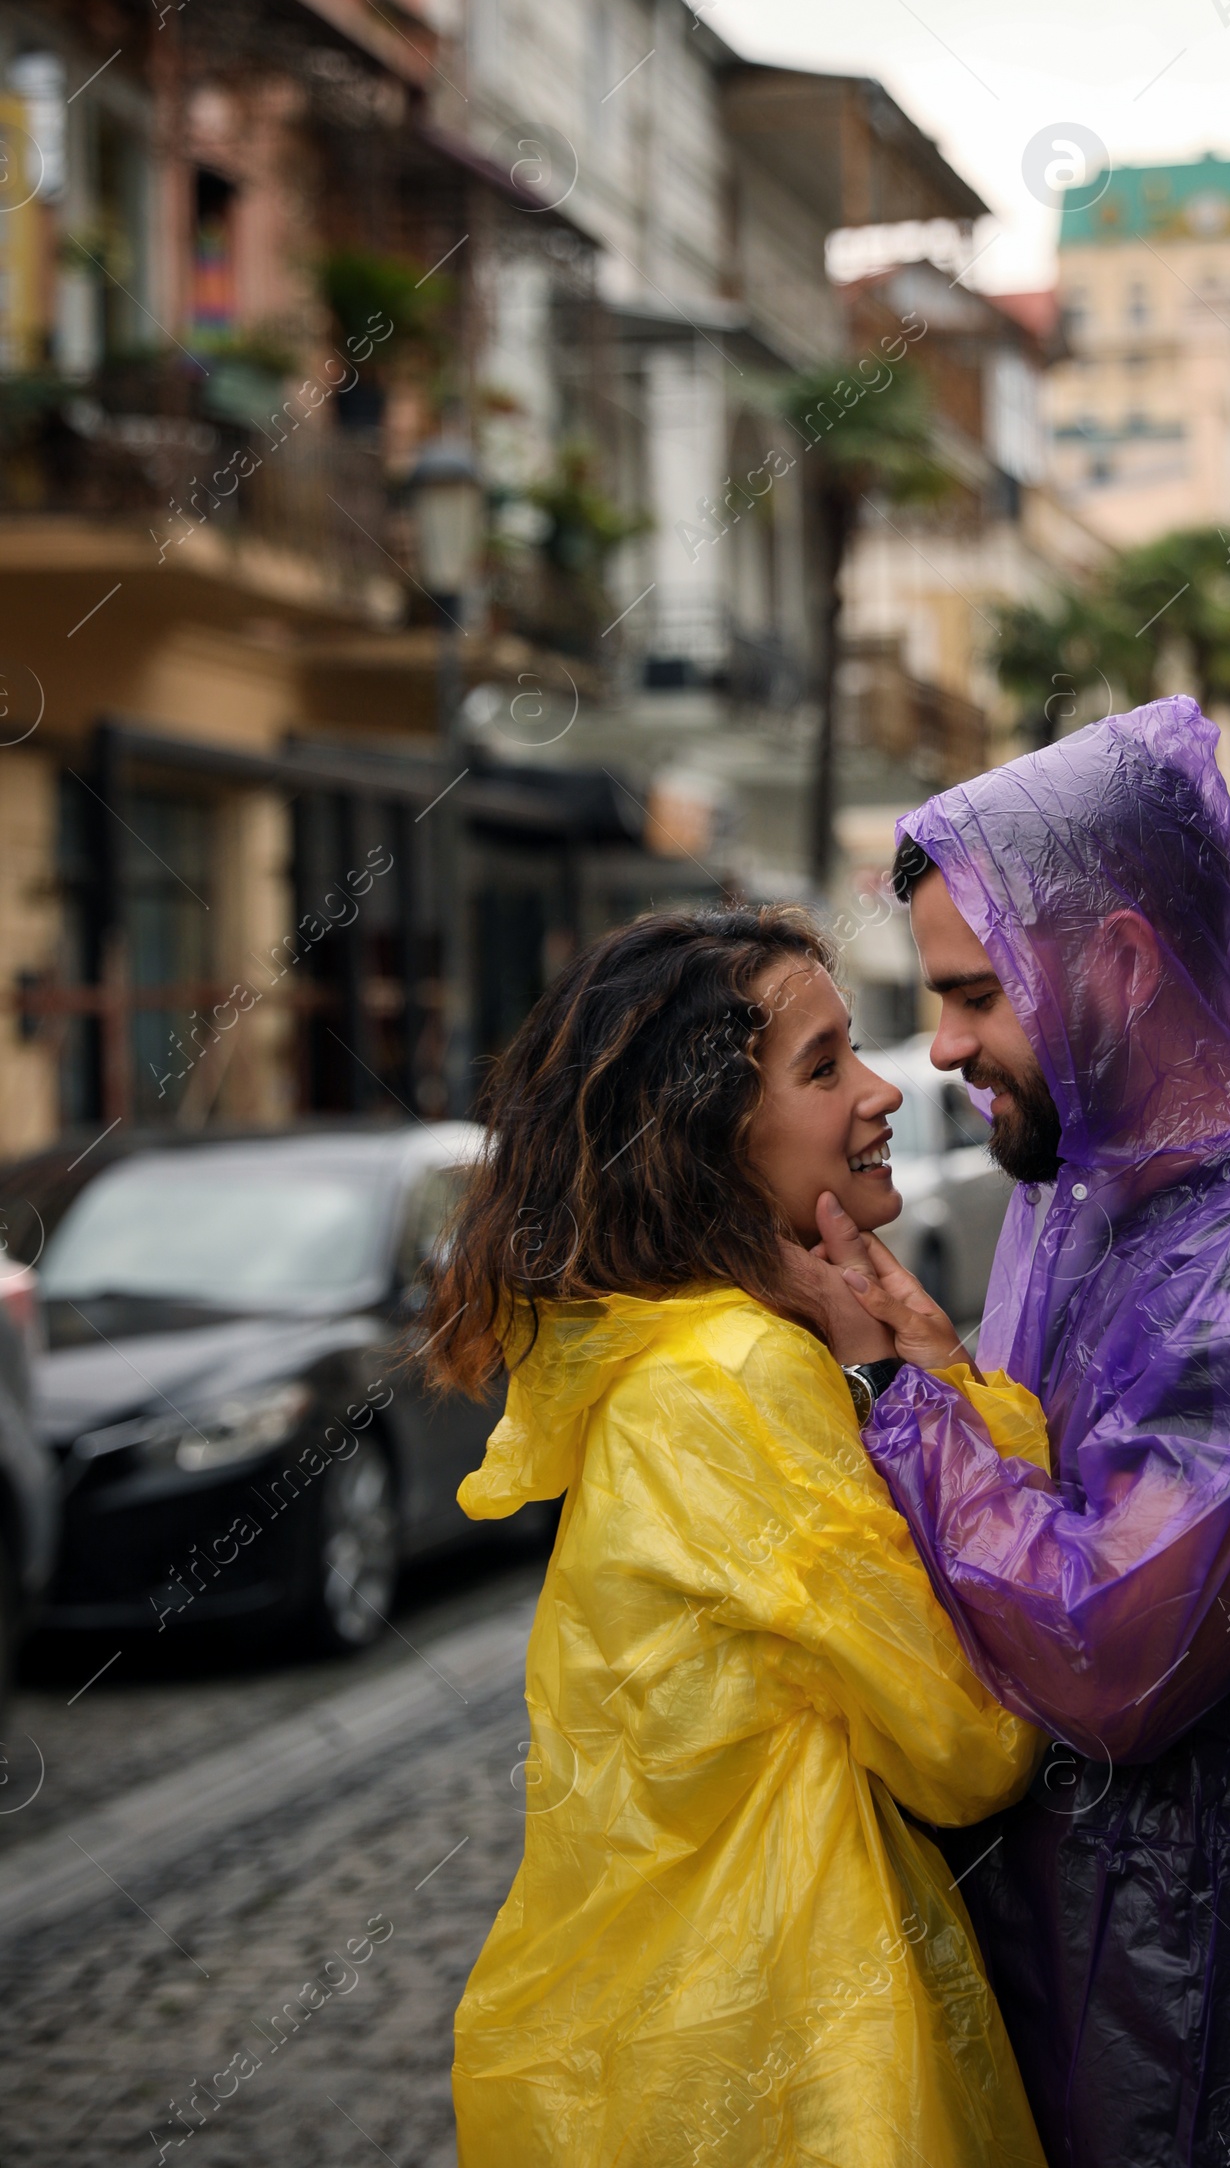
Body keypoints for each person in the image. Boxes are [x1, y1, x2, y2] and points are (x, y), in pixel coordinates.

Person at [809, 697, 1230, 2168]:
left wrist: (904, 1404)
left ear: (1115, 958)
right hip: (1076, 2012)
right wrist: (931, 1365)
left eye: (976, 995)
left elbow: (1113, 1658)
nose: (940, 1048)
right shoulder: (1092, 1220)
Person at [424, 905, 1051, 2168]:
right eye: (821, 1067)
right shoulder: (733, 1375)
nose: (881, 1090)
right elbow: (968, 1744)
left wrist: (926, 1369)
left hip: (686, 2038)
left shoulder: (673, 1349)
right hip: (796, 2058)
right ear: (707, 1141)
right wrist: (902, 1388)